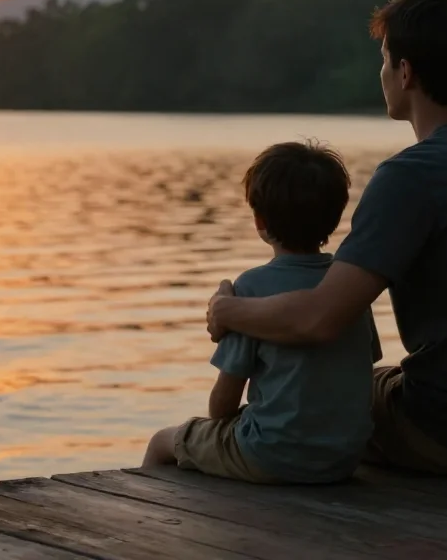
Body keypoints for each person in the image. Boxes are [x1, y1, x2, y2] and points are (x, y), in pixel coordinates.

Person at [206, 0, 447, 475]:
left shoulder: (412, 175)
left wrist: (229, 310)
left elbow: (318, 319)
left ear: (405, 73)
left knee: (307, 405)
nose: (382, 74)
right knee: (350, 383)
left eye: (385, 61)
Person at [143, 141, 379, 483]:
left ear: (260, 221)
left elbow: (222, 407)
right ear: (335, 215)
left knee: (163, 442)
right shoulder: (346, 287)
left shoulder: (251, 289)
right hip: (343, 457)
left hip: (273, 455)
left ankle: (142, 521)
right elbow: (361, 368)